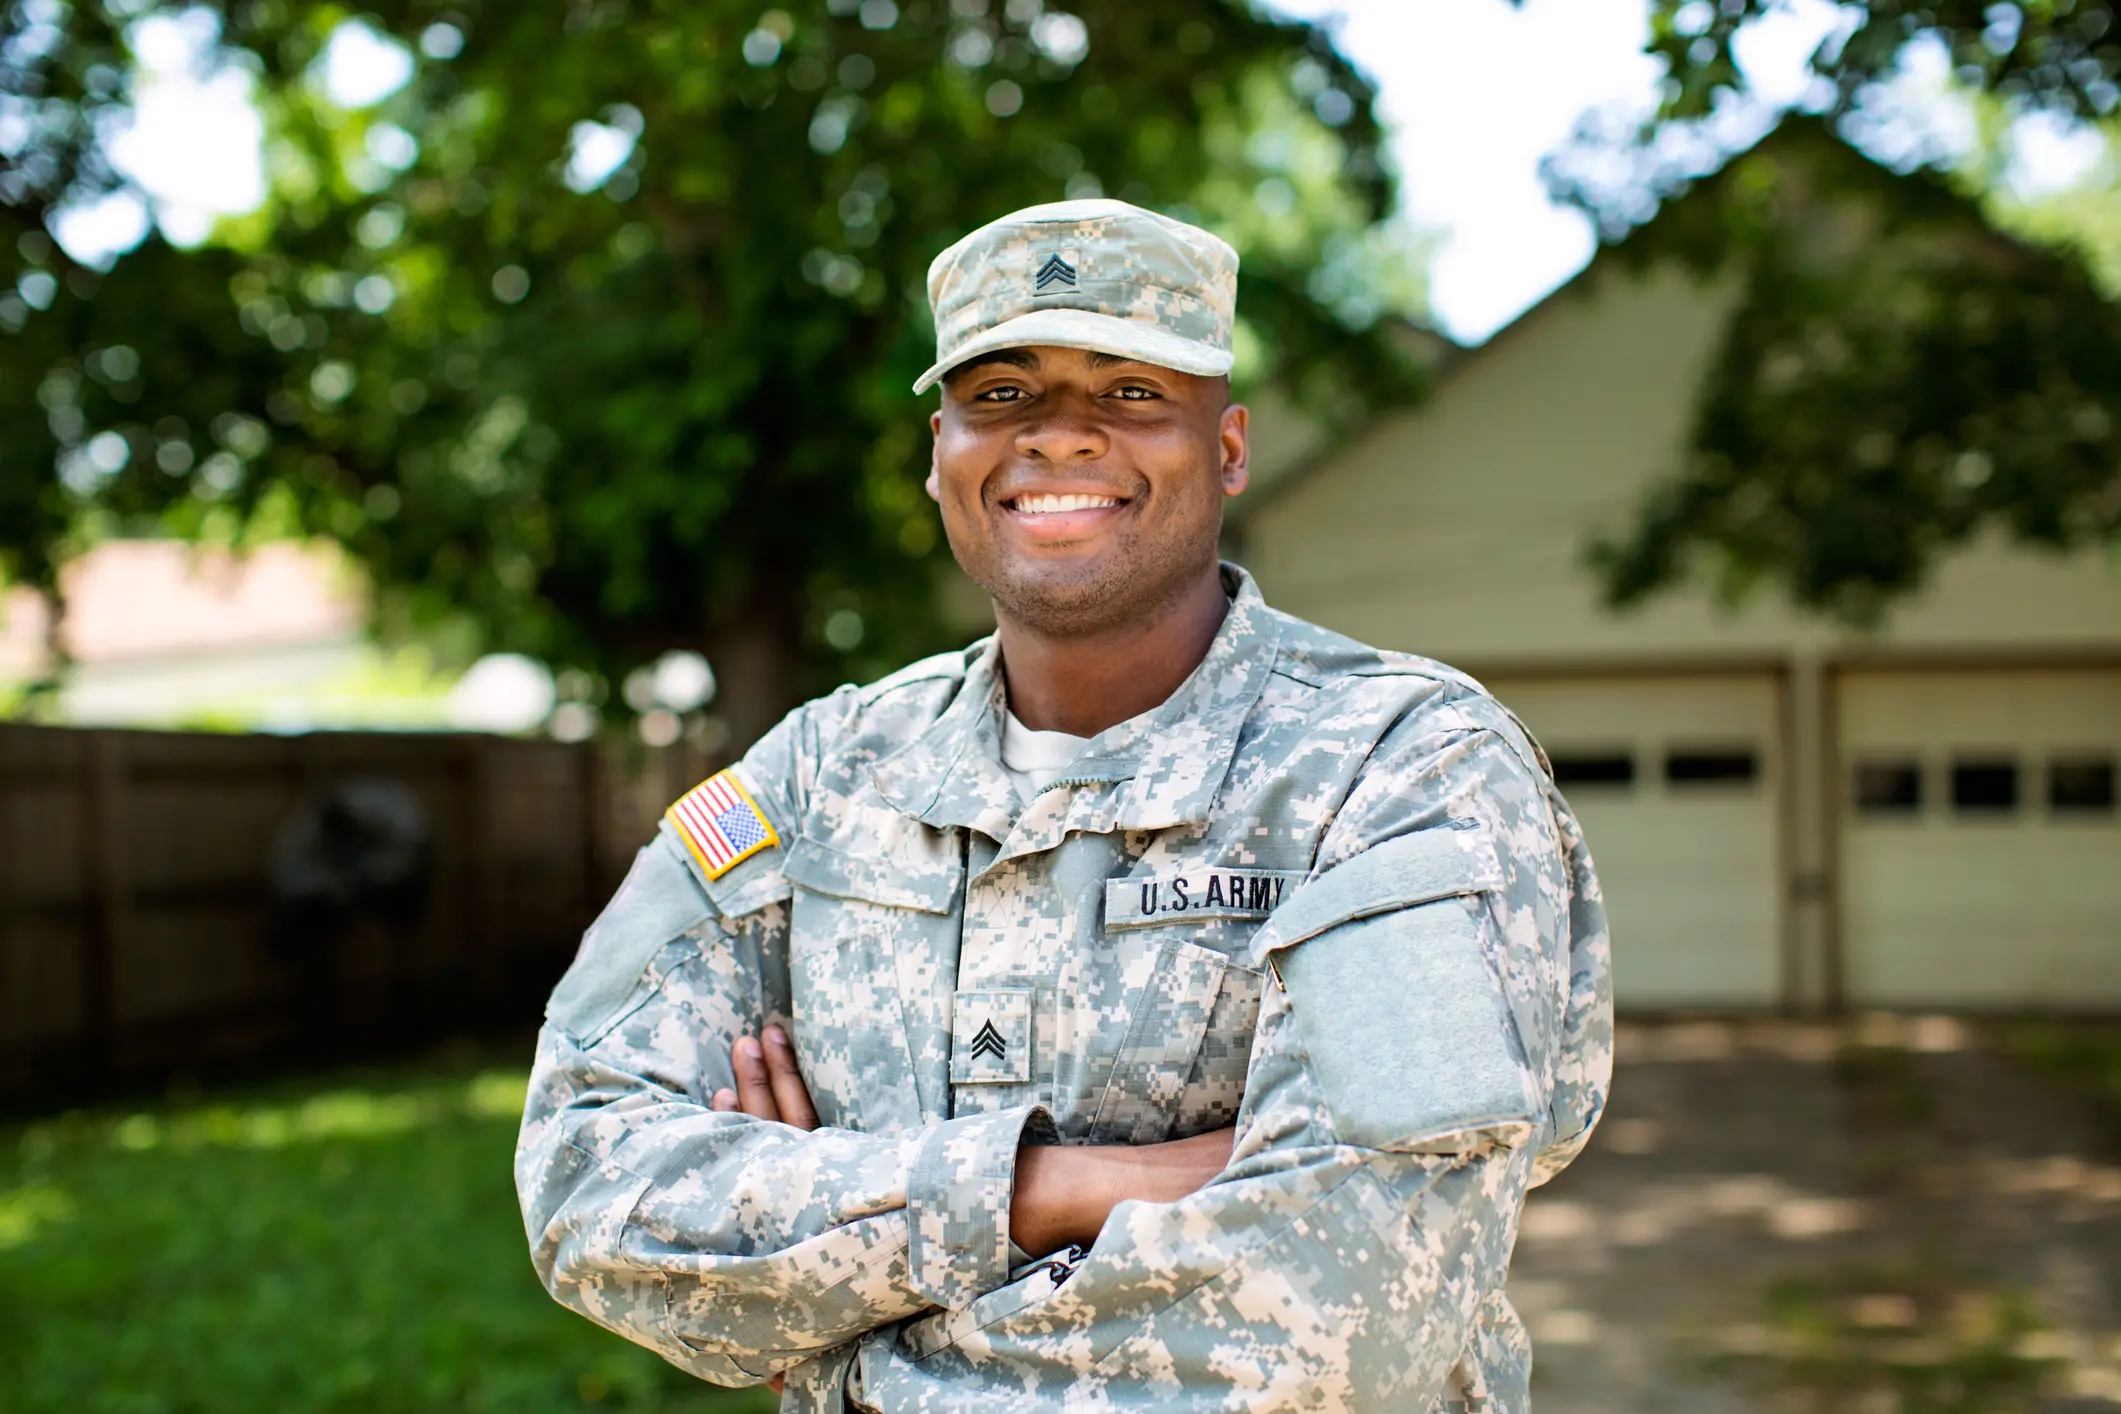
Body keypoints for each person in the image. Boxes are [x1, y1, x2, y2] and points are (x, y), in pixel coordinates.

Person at [515, 198, 1613, 1413]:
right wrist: (1049, 1187)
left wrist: (832, 1322)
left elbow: (1346, 1302)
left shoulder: (1399, 765)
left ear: (1231, 447)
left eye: (1133, 391)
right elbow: (584, 1182)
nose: (1061, 437)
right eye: (1002, 394)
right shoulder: (820, 774)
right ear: (940, 452)